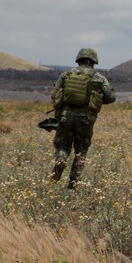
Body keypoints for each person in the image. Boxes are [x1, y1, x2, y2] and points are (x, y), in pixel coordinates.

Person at [49, 47, 116, 188]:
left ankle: (58, 167)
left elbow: (54, 94)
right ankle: (72, 185)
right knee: (81, 152)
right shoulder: (98, 78)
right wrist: (96, 99)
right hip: (85, 119)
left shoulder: (66, 74)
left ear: (78, 60)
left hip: (65, 118)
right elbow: (111, 97)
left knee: (63, 147)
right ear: (93, 61)